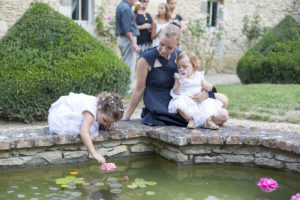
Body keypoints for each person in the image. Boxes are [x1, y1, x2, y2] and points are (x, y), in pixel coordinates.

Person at [123, 23, 228, 126]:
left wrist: (204, 92)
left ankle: (202, 118)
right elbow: (139, 89)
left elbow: (194, 74)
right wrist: (127, 116)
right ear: (158, 38)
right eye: (161, 44)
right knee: (223, 115)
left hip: (183, 93)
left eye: (169, 47)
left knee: (223, 100)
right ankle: (200, 120)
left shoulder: (178, 54)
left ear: (177, 45)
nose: (164, 50)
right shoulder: (146, 59)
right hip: (161, 101)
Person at [48, 92, 124, 164]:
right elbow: (84, 132)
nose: (105, 124)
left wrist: (108, 122)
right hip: (60, 116)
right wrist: (94, 153)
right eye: (105, 120)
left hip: (69, 108)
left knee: (92, 125)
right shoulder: (90, 114)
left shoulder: (100, 105)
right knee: (89, 129)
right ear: (99, 109)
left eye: (109, 122)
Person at [168, 51, 227, 130]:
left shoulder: (198, 75)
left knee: (208, 107)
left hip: (199, 100)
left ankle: (208, 121)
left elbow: (205, 85)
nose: (181, 69)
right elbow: (175, 91)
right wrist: (179, 83)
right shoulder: (178, 77)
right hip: (186, 99)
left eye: (184, 67)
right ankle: (190, 120)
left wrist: (208, 86)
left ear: (194, 67)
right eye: (179, 67)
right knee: (179, 106)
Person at [116, 0, 140, 93]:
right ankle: (127, 90)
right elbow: (127, 29)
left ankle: (125, 88)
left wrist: (135, 12)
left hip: (125, 39)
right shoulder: (126, 8)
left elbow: (129, 22)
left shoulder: (123, 6)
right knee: (129, 65)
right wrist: (133, 43)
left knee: (127, 63)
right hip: (128, 39)